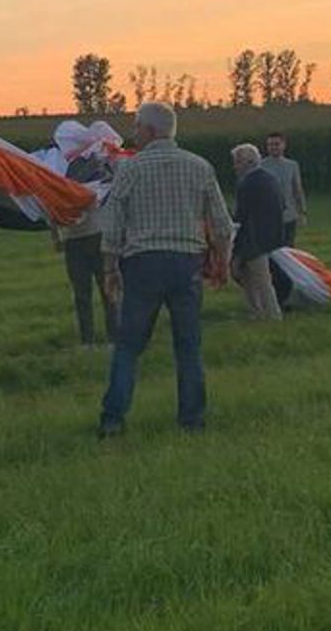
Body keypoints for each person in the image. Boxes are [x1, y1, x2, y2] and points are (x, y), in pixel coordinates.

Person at [97, 102, 234, 438]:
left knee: (129, 345)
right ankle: (192, 419)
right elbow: (222, 225)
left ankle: (113, 419)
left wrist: (110, 268)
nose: (133, 133)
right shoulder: (199, 167)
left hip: (142, 263)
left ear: (150, 131)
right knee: (188, 345)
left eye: (136, 126)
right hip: (186, 262)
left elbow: (112, 225)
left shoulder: (130, 170)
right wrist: (222, 262)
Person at [52, 155, 119, 348]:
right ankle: (89, 340)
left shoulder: (96, 166)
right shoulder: (61, 170)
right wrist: (56, 234)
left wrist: (56, 234)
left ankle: (109, 338)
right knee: (86, 292)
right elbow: (51, 204)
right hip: (79, 238)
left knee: (102, 290)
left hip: (93, 235)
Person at [230, 143, 285, 321]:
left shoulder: (247, 183)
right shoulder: (270, 178)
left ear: (248, 162)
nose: (235, 166)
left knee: (259, 279)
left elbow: (242, 215)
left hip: (252, 239)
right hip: (269, 236)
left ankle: (270, 314)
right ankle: (258, 312)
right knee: (252, 277)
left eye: (237, 162)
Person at [259, 132, 306, 307]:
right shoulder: (261, 166)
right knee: (272, 256)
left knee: (288, 254)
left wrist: (302, 212)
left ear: (283, 145)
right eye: (270, 144)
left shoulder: (292, 165)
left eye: (276, 144)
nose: (273, 147)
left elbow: (297, 189)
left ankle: (289, 291)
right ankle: (274, 293)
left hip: (289, 218)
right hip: (269, 219)